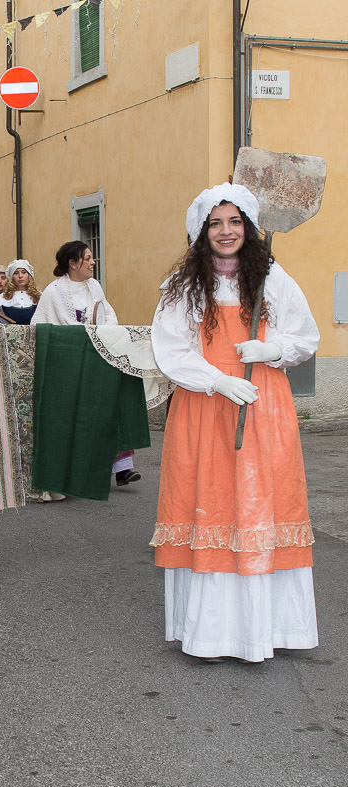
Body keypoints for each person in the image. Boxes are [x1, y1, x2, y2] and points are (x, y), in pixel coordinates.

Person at [150, 182, 319, 663]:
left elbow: (305, 335)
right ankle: (213, 633)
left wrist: (274, 350)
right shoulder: (183, 287)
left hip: (264, 407)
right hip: (204, 410)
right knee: (212, 502)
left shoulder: (274, 279)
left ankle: (272, 628)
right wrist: (218, 381)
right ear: (202, 232)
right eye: (216, 223)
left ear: (249, 226)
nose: (226, 231)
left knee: (262, 506)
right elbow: (171, 350)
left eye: (236, 221)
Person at [32, 241, 140, 487]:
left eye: (92, 258)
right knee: (75, 418)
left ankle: (122, 468)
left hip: (97, 359)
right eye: (88, 258)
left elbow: (108, 314)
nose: (93, 263)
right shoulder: (53, 292)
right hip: (68, 366)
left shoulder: (94, 286)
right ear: (72, 263)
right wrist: (78, 334)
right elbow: (40, 326)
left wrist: (103, 332)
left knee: (108, 412)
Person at [0, 259, 41, 324]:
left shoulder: (39, 297)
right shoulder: (2, 299)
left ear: (29, 275)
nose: (20, 276)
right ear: (12, 277)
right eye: (16, 273)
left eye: (24, 272)